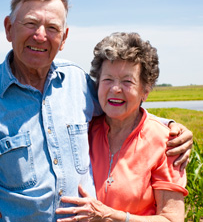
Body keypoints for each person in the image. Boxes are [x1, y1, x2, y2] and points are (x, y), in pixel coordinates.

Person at [0, 0, 193, 221]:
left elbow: (122, 110)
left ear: (64, 38)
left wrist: (169, 127)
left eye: (52, 28)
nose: (40, 35)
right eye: (30, 23)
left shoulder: (77, 82)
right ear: (9, 28)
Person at [55, 32, 188, 222]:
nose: (115, 89)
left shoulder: (167, 142)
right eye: (108, 79)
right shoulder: (83, 130)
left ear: (145, 90)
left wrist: (111, 216)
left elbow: (172, 219)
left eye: (127, 81)